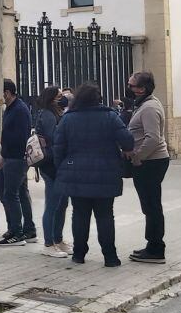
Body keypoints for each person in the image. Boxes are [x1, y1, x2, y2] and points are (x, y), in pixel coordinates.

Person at [53, 82, 134, 267]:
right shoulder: (110, 117)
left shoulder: (68, 119)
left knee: (79, 215)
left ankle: (79, 254)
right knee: (105, 216)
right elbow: (128, 141)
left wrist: (63, 168)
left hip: (76, 175)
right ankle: (110, 257)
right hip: (106, 174)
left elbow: (58, 148)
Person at [126, 72, 170, 264]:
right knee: (150, 206)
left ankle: (156, 248)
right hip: (150, 161)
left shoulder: (150, 108)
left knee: (152, 206)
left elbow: (153, 138)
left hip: (151, 162)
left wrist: (137, 157)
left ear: (142, 89)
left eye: (131, 85)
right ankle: (152, 244)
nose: (129, 88)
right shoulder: (145, 105)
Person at [0, 79, 37, 246]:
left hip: (15, 159)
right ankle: (27, 229)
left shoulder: (19, 110)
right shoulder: (12, 108)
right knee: (20, 193)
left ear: (7, 93)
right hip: (13, 158)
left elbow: (18, 138)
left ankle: (17, 233)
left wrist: (3, 155)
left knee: (10, 194)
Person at [34, 86, 70, 258]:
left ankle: (58, 239)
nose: (63, 98)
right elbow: (54, 138)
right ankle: (49, 243)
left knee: (62, 203)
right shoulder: (47, 114)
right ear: (52, 98)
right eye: (59, 96)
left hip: (59, 164)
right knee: (53, 204)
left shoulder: (55, 113)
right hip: (51, 165)